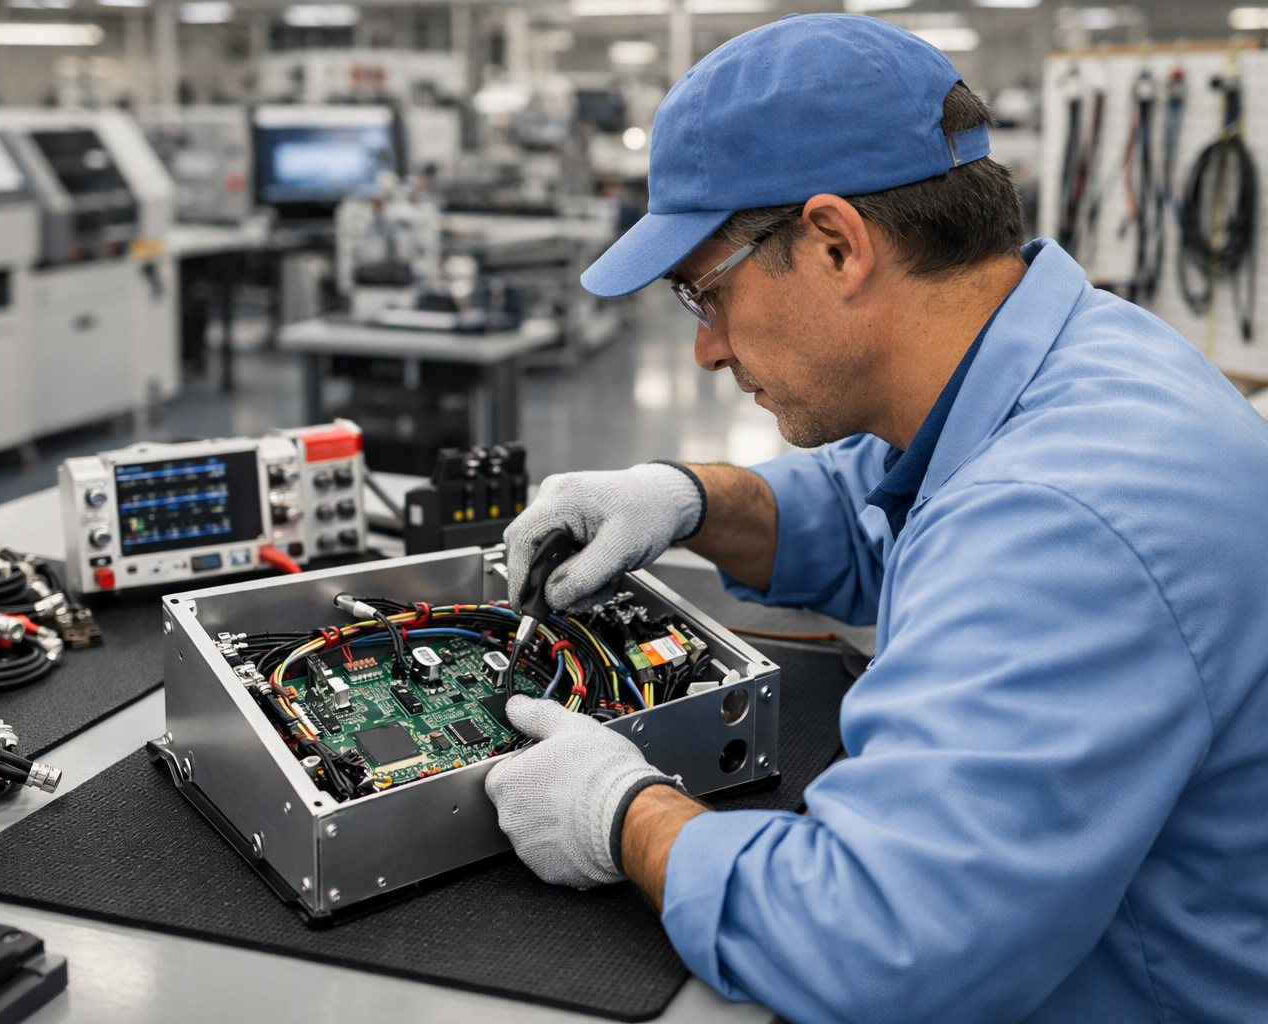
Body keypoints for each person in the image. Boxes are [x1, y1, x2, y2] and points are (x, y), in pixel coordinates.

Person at [483, 15, 1268, 1024]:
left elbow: (875, 943)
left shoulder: (1056, 516)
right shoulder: (1062, 355)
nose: (706, 351)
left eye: (702, 294)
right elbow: (871, 514)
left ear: (836, 244)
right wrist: (683, 497)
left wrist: (623, 813)